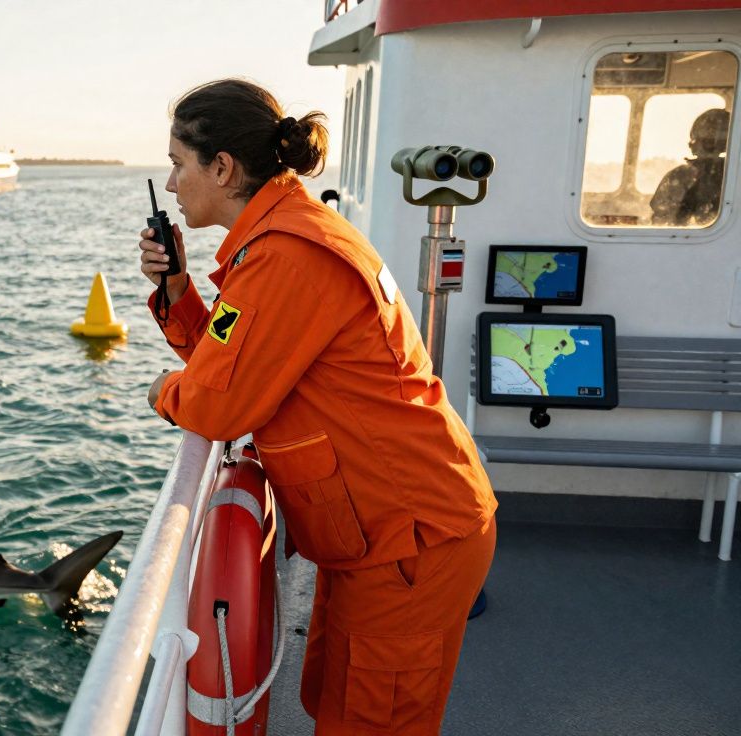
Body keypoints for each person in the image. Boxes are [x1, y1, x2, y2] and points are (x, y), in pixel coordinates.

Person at [136, 79, 498, 735]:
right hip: (378, 538)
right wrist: (178, 290)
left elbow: (214, 404)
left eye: (178, 163)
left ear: (222, 167)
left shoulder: (287, 257)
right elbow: (233, 359)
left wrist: (159, 391)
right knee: (337, 707)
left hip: (410, 540)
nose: (172, 179)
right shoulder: (281, 240)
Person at [650, 108, 730, 227]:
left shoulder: (680, 176)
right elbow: (661, 216)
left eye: (707, 141)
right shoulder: (680, 175)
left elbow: (661, 220)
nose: (692, 144)